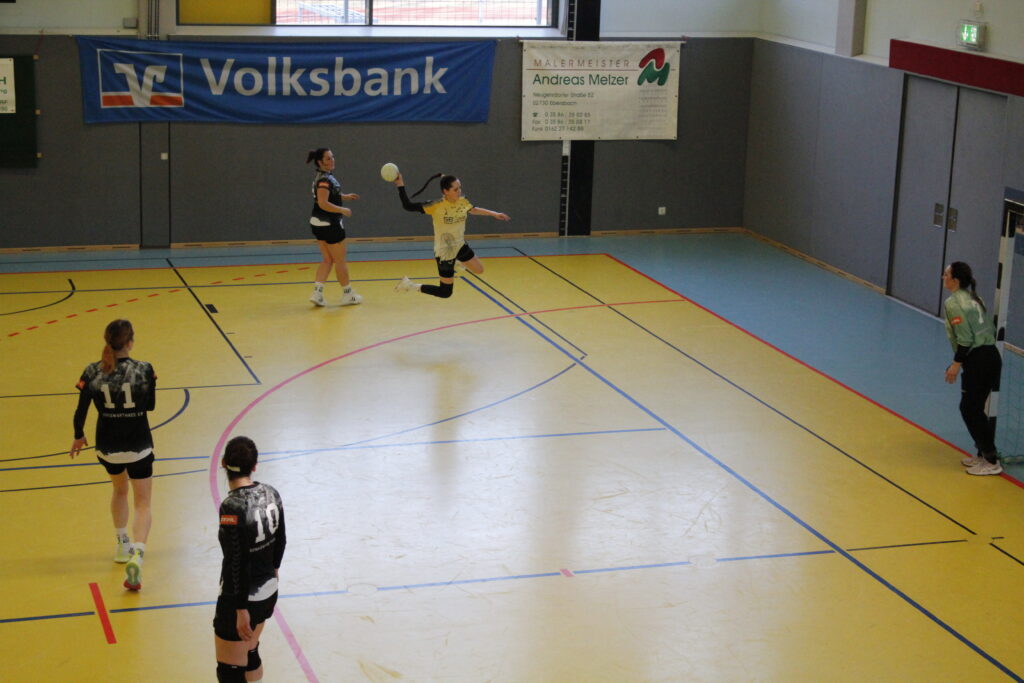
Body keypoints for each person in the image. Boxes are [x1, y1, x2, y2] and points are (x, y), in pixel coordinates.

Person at [69, 318, 156, 590]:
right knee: (143, 503)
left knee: (119, 491)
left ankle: (121, 544)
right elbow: (150, 405)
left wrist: (78, 435)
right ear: (130, 342)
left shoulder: (92, 371)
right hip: (139, 445)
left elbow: (81, 409)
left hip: (108, 447)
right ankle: (137, 556)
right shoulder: (144, 369)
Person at [214, 436, 286, 683]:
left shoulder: (230, 507)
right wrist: (274, 569)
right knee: (250, 651)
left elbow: (236, 559)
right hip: (268, 590)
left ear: (223, 463)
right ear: (254, 466)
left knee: (230, 671)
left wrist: (240, 607)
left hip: (241, 599)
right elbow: (281, 538)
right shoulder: (271, 493)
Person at [391, 171, 510, 298]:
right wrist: (400, 184)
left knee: (479, 270)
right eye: (455, 189)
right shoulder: (436, 205)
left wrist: (495, 214)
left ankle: (458, 261)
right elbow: (408, 206)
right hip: (445, 251)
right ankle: (410, 285)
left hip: (460, 245)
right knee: (445, 292)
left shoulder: (462, 202)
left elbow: (473, 209)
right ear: (445, 191)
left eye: (460, 188)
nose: (459, 191)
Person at [942, 261, 1003, 476]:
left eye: (946, 274)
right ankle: (982, 454)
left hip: (979, 360)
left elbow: (965, 339)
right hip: (990, 357)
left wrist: (955, 365)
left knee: (970, 409)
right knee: (973, 407)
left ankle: (991, 460)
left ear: (955, 280)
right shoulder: (975, 298)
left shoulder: (953, 303)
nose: (943, 277)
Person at [306, 147, 362, 307]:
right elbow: (323, 203)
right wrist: (342, 210)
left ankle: (317, 293)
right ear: (320, 162)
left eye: (332, 157)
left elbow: (329, 195)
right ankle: (348, 294)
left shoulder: (323, 177)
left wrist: (344, 197)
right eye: (328, 158)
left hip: (317, 223)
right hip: (330, 224)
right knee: (340, 260)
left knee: (327, 259)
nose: (332, 160)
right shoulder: (324, 180)